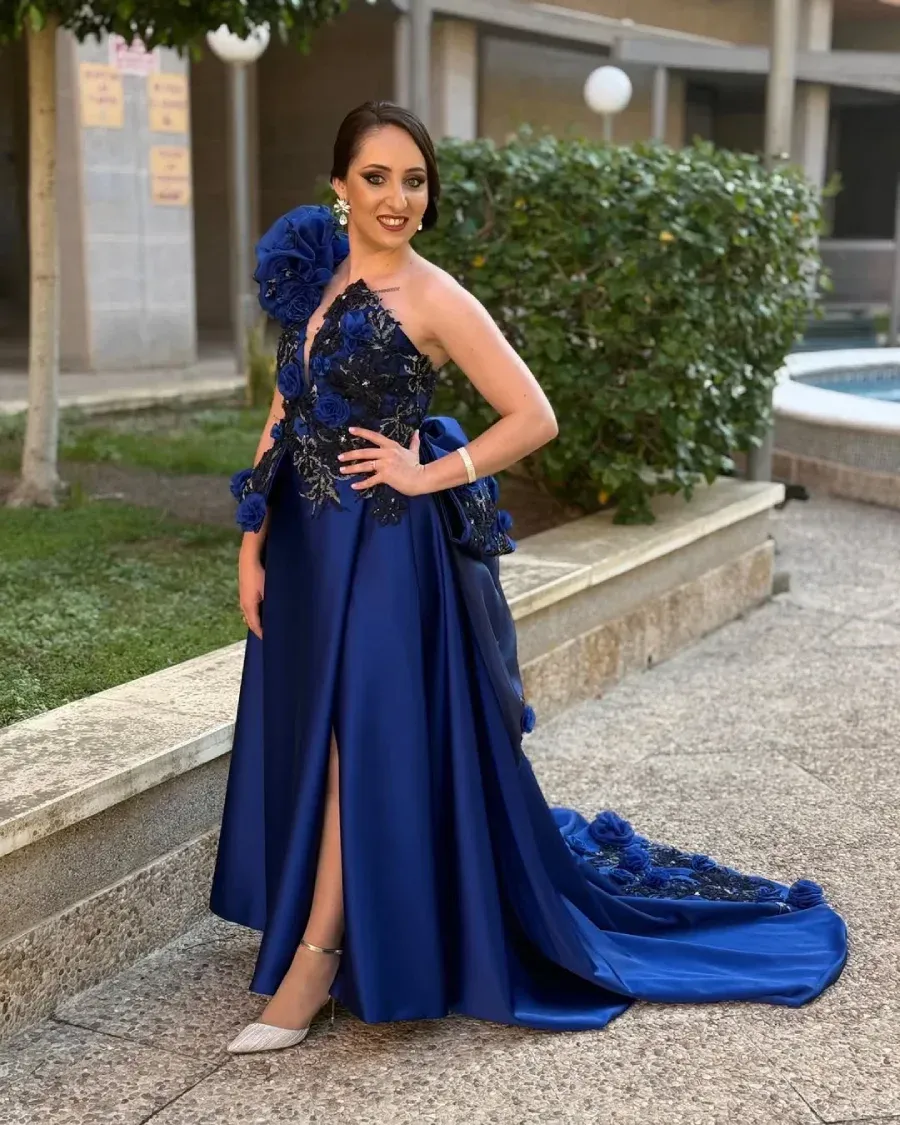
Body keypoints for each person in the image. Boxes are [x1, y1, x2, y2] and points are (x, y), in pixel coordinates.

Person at [209, 101, 848, 1055]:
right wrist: (252, 539)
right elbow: (282, 410)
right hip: (306, 551)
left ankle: (318, 956)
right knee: (319, 735)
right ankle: (338, 923)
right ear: (338, 186)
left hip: (384, 556)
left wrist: (428, 470)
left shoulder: (434, 297)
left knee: (354, 743)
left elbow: (532, 413)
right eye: (377, 177)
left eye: (414, 180)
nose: (397, 198)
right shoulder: (316, 273)